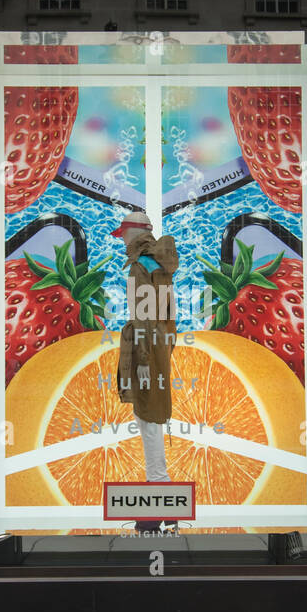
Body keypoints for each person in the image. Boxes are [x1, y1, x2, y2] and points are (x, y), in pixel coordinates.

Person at [112, 211, 180, 533]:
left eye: (125, 233)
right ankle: (161, 506)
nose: (122, 240)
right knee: (150, 420)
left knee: (149, 421)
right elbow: (167, 316)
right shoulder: (158, 266)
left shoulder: (141, 267)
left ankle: (160, 507)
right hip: (158, 347)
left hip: (147, 352)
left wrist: (141, 361)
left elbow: (143, 318)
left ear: (137, 233)